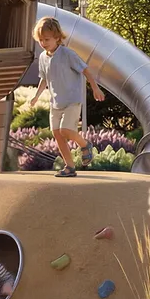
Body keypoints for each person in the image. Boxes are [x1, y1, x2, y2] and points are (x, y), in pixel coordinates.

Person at [33, 16, 106, 178]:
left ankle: (85, 144)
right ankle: (69, 166)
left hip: (72, 100)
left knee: (66, 130)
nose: (43, 43)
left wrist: (95, 88)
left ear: (58, 38)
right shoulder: (43, 58)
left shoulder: (67, 54)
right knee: (57, 134)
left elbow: (85, 70)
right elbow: (44, 79)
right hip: (56, 102)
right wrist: (36, 97)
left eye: (47, 39)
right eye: (41, 40)